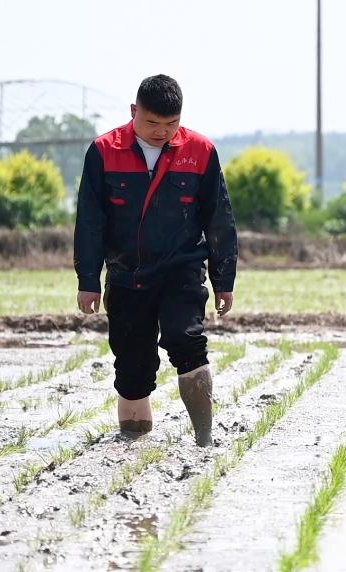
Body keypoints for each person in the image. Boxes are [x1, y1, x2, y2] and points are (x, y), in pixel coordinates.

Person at [74, 74, 238, 447]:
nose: (162, 132)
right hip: (126, 274)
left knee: (187, 341)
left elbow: (219, 220)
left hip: (181, 269)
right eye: (152, 123)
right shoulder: (103, 151)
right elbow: (90, 221)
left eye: (171, 124)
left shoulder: (201, 151)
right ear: (134, 112)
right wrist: (87, 279)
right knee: (132, 366)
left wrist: (223, 280)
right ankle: (131, 446)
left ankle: (205, 441)